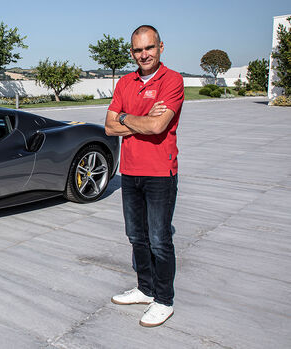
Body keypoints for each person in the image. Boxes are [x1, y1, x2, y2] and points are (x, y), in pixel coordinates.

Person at [105, 25, 184, 327]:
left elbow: (157, 127)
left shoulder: (173, 80)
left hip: (160, 173)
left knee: (159, 240)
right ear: (132, 52)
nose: (144, 54)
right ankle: (145, 289)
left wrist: (127, 118)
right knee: (136, 236)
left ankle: (164, 300)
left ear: (160, 47)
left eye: (149, 48)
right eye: (138, 50)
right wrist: (135, 118)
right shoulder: (125, 82)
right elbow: (110, 127)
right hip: (130, 170)